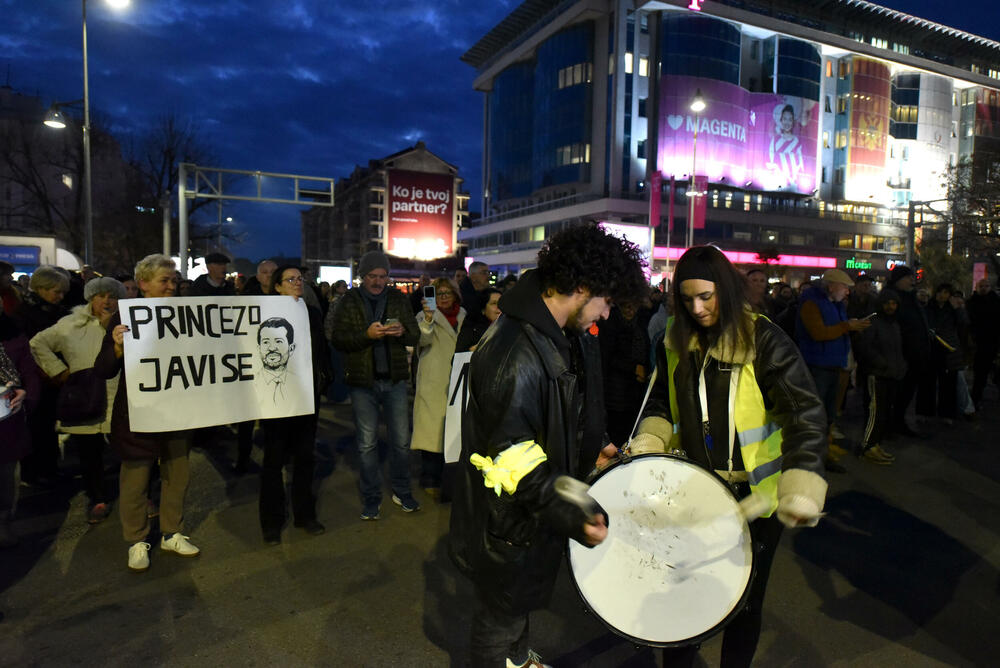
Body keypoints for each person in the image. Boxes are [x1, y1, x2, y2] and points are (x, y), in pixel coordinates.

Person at [449, 223, 646, 668]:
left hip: (519, 522)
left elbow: (556, 413)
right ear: (581, 287)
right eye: (606, 301)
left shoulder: (552, 334)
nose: (608, 314)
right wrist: (574, 506)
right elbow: (513, 457)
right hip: (504, 525)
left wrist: (589, 449)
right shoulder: (516, 351)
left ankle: (518, 658)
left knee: (514, 610)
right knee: (499, 621)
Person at [631, 245, 827, 667]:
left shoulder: (765, 339)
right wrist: (650, 440)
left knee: (746, 603)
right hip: (693, 494)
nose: (697, 309)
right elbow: (661, 405)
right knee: (681, 593)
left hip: (756, 500)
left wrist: (803, 481)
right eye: (687, 300)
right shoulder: (674, 340)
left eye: (707, 297)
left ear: (726, 290)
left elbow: (804, 413)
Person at [94, 254, 200, 572]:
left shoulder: (188, 314)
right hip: (138, 413)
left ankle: (172, 532)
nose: (171, 286)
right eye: (164, 281)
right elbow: (103, 369)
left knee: (177, 475)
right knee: (135, 479)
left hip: (178, 411)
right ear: (142, 284)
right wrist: (115, 347)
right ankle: (137, 539)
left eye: (174, 281)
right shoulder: (125, 316)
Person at [330, 250, 420, 520]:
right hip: (362, 382)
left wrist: (403, 332)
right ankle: (371, 498)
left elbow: (415, 335)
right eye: (373, 276)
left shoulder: (398, 299)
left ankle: (402, 491)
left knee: (402, 442)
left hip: (394, 380)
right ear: (362, 276)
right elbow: (339, 339)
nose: (378, 281)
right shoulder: (349, 300)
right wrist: (366, 335)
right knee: (367, 444)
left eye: (383, 276)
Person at [29, 277, 126, 523]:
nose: (106, 300)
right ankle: (98, 498)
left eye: (112, 296)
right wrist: (59, 371)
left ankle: (136, 496)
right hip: (85, 398)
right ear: (90, 297)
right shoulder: (70, 324)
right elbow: (38, 343)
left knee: (128, 449)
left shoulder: (127, 322)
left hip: (120, 397)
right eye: (101, 295)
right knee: (89, 453)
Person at [257, 265, 330, 545]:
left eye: (300, 279)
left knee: (305, 457)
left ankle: (305, 515)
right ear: (277, 287)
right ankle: (271, 522)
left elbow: (319, 349)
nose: (297, 283)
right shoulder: (262, 313)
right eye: (290, 280)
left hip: (306, 395)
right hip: (274, 398)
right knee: (273, 461)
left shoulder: (310, 313)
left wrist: (322, 379)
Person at [795, 268, 869, 463]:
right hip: (817, 365)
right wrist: (847, 326)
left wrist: (850, 326)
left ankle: (824, 451)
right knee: (816, 413)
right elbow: (818, 333)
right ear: (831, 286)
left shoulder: (834, 303)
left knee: (829, 413)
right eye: (845, 287)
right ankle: (812, 455)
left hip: (832, 364)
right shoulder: (811, 303)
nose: (847, 292)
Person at [13, 266, 71, 485]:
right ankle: (33, 472)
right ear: (40, 288)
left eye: (62, 292)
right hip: (35, 378)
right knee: (36, 426)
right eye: (56, 291)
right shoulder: (23, 314)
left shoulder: (57, 312)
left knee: (48, 425)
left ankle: (49, 467)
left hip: (54, 376)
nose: (60, 296)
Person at [410, 277, 466, 500]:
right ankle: (429, 476)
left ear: (455, 295)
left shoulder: (464, 316)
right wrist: (429, 318)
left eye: (447, 293)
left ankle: (449, 478)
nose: (442, 297)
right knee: (432, 431)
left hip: (458, 377)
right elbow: (422, 340)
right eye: (438, 293)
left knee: (452, 429)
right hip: (434, 379)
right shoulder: (423, 316)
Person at [1, 312, 41, 547]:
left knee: (5, 476)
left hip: (7, 420)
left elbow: (28, 372)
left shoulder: (13, 335)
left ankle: (3, 521)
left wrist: (25, 393)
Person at [233, 259, 277, 473]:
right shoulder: (246, 299)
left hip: (275, 367)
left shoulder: (288, 299)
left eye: (273, 272)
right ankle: (243, 457)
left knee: (274, 416)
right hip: (250, 365)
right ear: (258, 276)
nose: (269, 275)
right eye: (265, 272)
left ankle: (274, 457)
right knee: (247, 416)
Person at [853, 288, 906, 465]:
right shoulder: (874, 322)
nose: (891, 307)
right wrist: (881, 363)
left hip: (891, 374)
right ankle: (868, 446)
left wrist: (900, 366)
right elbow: (866, 347)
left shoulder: (894, 324)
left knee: (884, 412)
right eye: (887, 303)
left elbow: (897, 349)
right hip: (877, 374)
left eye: (894, 303)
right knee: (875, 412)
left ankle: (875, 444)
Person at [886, 265, 930, 436]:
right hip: (902, 355)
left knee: (906, 393)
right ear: (898, 280)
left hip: (915, 355)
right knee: (896, 393)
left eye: (912, 277)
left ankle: (899, 421)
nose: (912, 280)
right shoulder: (893, 299)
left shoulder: (911, 298)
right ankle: (890, 424)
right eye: (908, 278)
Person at [599, 302, 650, 447]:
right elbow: (608, 357)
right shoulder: (610, 324)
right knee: (617, 432)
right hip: (616, 392)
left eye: (633, 305)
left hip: (635, 389)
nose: (630, 310)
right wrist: (634, 368)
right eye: (626, 305)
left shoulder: (641, 321)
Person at [918, 283, 964, 425]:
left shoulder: (953, 309)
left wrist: (958, 309)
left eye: (945, 293)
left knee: (948, 384)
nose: (942, 295)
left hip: (947, 349)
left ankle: (947, 413)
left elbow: (963, 323)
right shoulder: (928, 307)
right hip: (931, 347)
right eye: (940, 292)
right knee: (927, 382)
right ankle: (924, 412)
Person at [967, 278, 1000, 408]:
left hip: (990, 341)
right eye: (982, 286)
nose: (984, 288)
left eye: (986, 286)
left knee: (982, 372)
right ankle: (975, 398)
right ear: (977, 287)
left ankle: (976, 397)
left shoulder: (995, 302)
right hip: (980, 342)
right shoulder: (973, 302)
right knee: (980, 372)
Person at [455, 288, 502, 353]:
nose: (499, 307)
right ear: (483, 309)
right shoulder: (470, 330)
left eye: (501, 303)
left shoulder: (509, 327)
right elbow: (457, 359)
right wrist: (472, 351)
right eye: (494, 303)